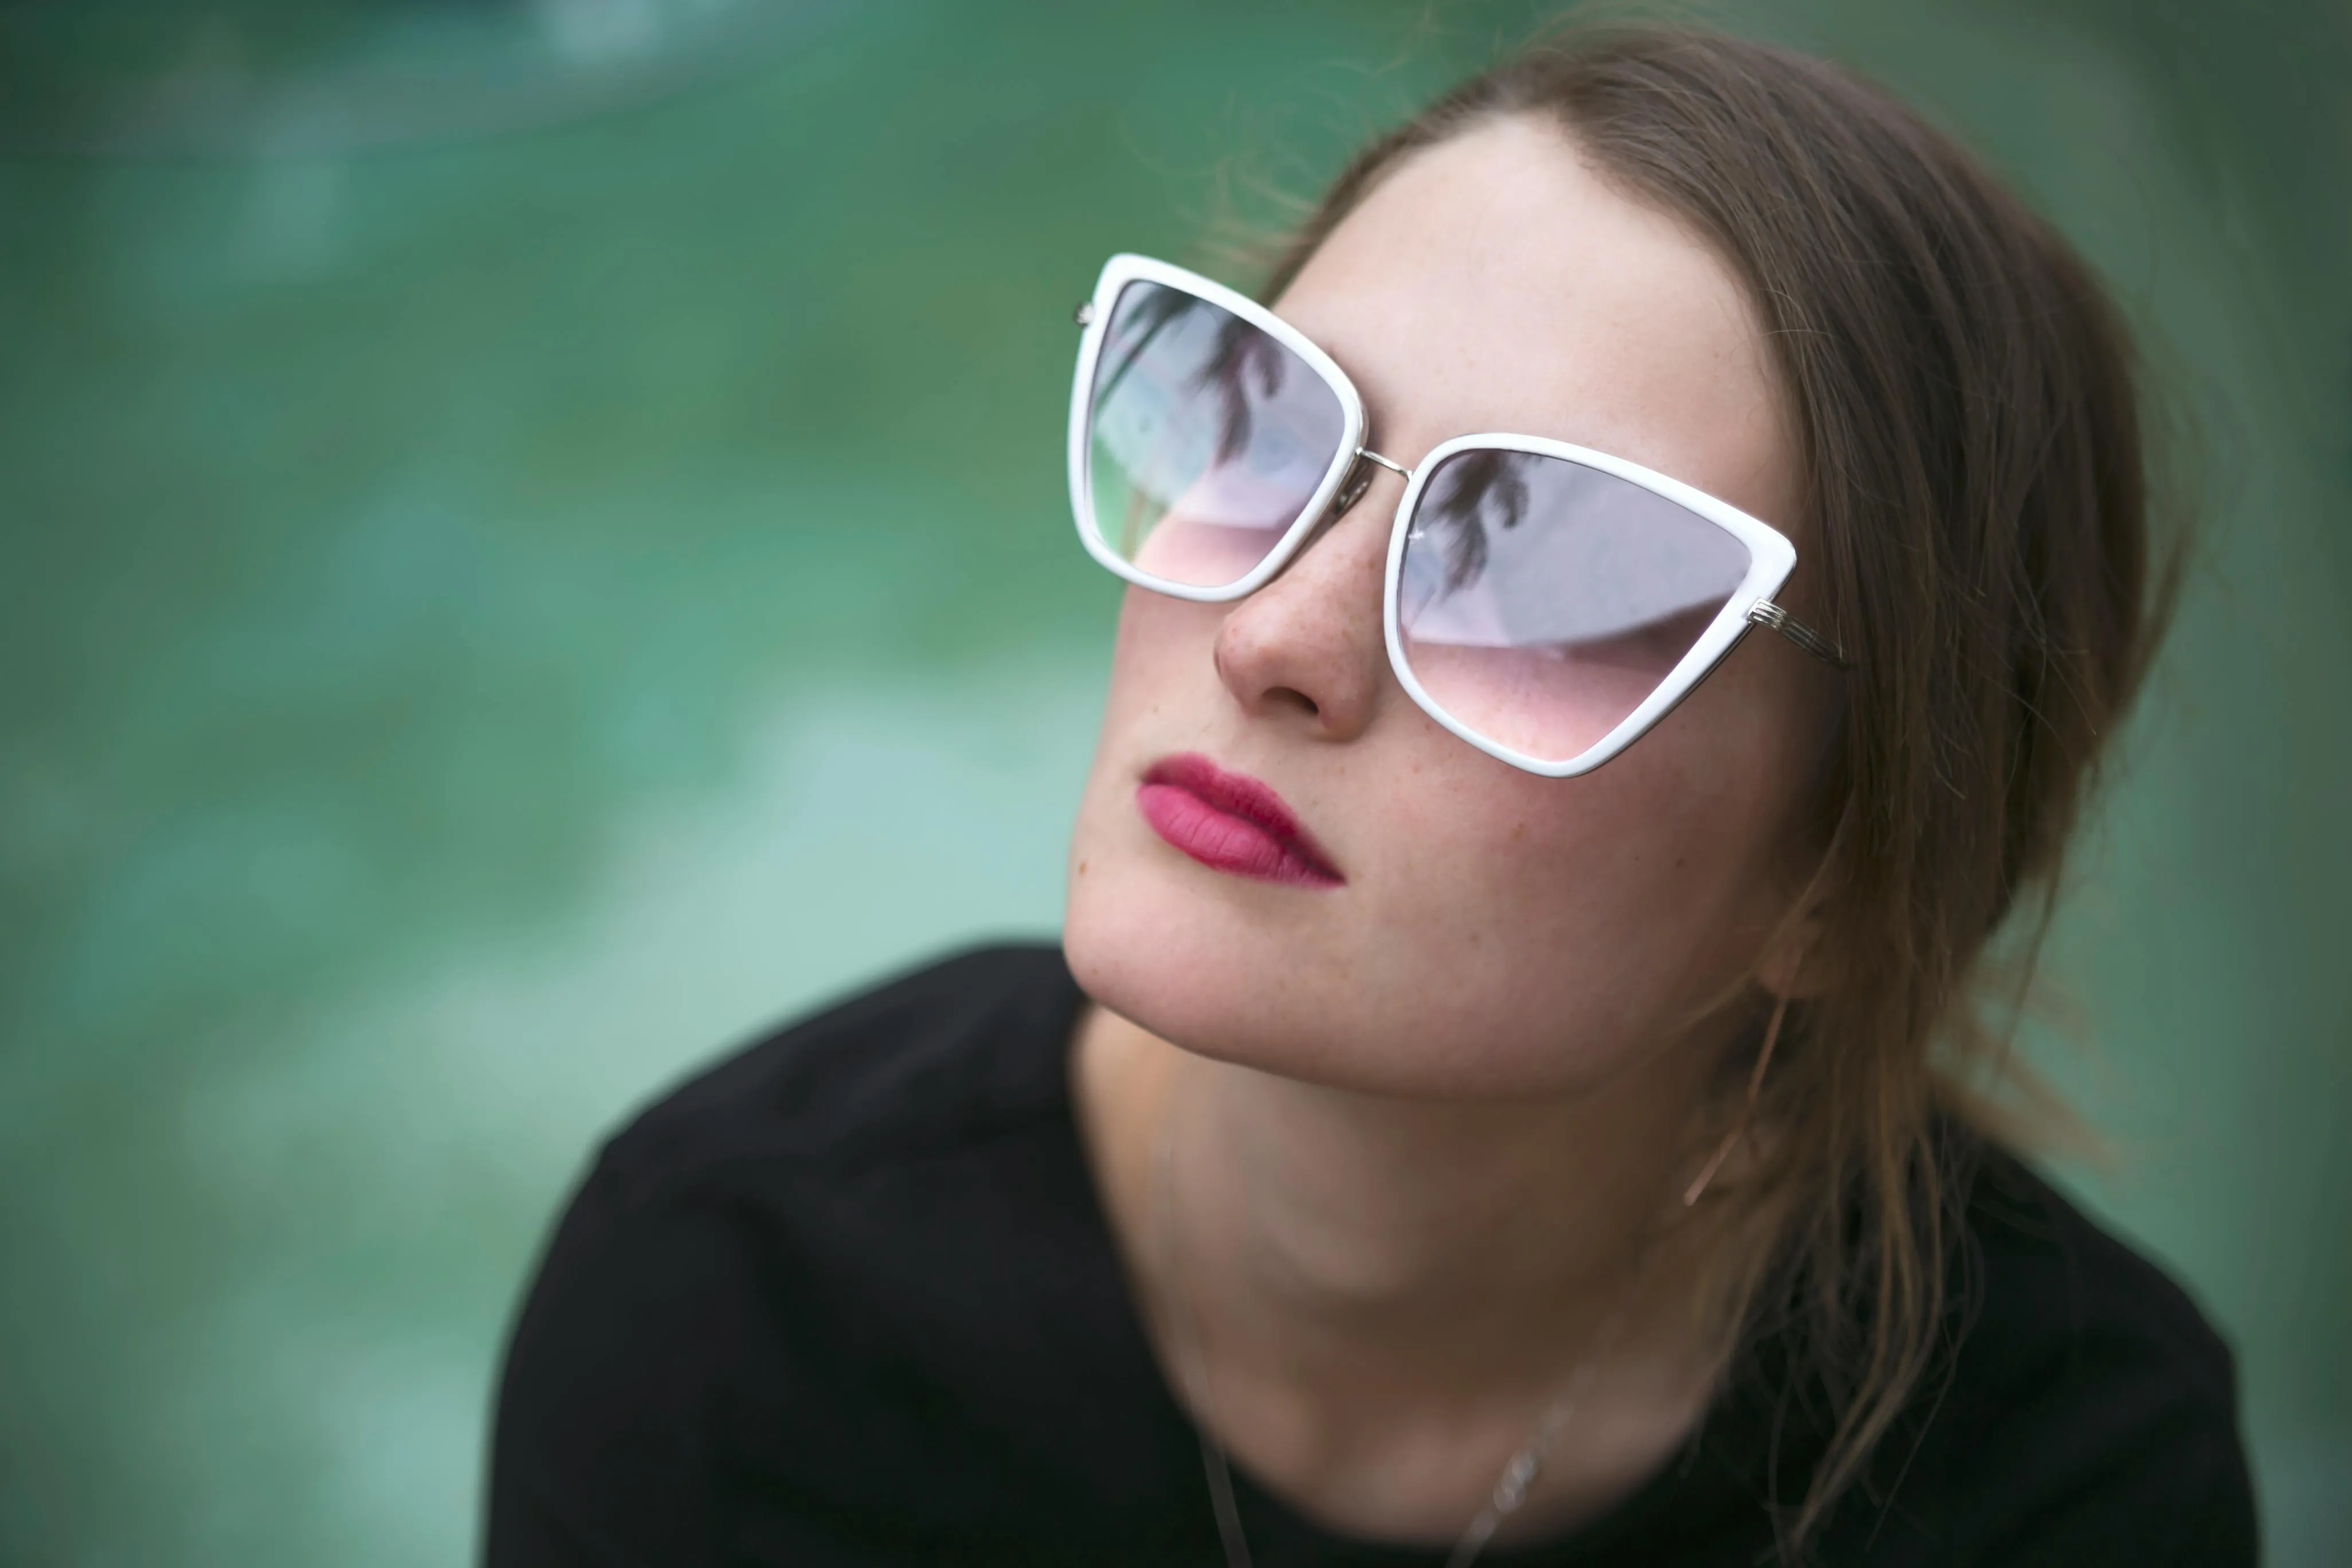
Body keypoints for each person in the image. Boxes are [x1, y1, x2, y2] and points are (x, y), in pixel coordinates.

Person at [483, 23, 2256, 1567]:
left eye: (1548, 568)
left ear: (1846, 878)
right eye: (1260, 423)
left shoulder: (2064, 1475)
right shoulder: (733, 1309)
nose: (1277, 634)